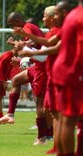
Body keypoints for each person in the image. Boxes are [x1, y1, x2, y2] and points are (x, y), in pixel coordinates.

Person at [16, 1, 73, 154]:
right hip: (52, 75)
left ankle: (55, 143)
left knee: (57, 113)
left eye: (45, 16)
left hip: (55, 75)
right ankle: (56, 143)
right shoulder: (52, 32)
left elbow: (47, 53)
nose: (43, 19)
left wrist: (28, 51)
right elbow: (47, 44)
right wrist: (25, 36)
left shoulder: (57, 30)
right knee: (50, 110)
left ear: (55, 17)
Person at [0, 12, 48, 145]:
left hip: (42, 68)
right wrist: (19, 55)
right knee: (16, 80)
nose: (13, 28)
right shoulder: (28, 30)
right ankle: (10, 115)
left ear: (18, 20)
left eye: (13, 25)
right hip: (37, 66)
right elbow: (32, 48)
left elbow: (33, 42)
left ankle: (44, 137)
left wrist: (20, 46)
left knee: (41, 104)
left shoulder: (27, 27)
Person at [51, 1, 83, 155]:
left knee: (66, 118)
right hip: (73, 73)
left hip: (64, 71)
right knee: (69, 120)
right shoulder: (80, 16)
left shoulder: (73, 15)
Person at [0, 49, 20, 120]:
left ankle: (0, 115)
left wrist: (7, 80)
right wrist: (3, 82)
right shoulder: (7, 55)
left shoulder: (13, 57)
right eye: (19, 51)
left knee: (0, 97)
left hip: (3, 78)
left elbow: (9, 69)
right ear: (16, 49)